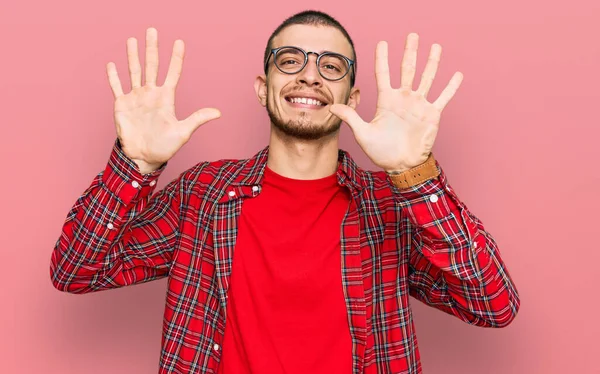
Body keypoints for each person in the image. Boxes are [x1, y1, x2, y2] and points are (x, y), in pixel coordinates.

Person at [50, 10, 520, 374]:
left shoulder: (388, 206)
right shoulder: (204, 194)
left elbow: (494, 305)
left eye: (331, 66)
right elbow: (75, 270)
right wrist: (137, 165)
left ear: (352, 99)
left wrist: (414, 174)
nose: (310, 76)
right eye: (290, 60)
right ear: (263, 87)